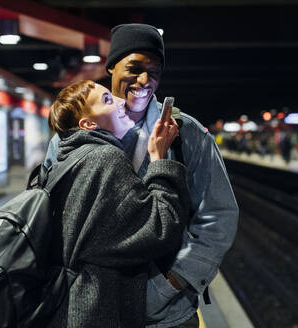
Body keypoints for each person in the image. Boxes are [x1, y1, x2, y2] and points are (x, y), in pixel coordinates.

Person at [45, 23, 239, 328]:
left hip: (165, 315)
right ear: (111, 67)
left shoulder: (187, 133)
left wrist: (174, 283)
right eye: (134, 68)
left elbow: (218, 215)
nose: (145, 80)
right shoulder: (67, 138)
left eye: (155, 70)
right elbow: (51, 213)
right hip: (90, 311)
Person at [47, 80, 191, 327]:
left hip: (69, 307)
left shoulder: (65, 163)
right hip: (100, 310)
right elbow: (160, 228)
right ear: (89, 124)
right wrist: (159, 159)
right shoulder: (106, 158)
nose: (121, 101)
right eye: (107, 100)